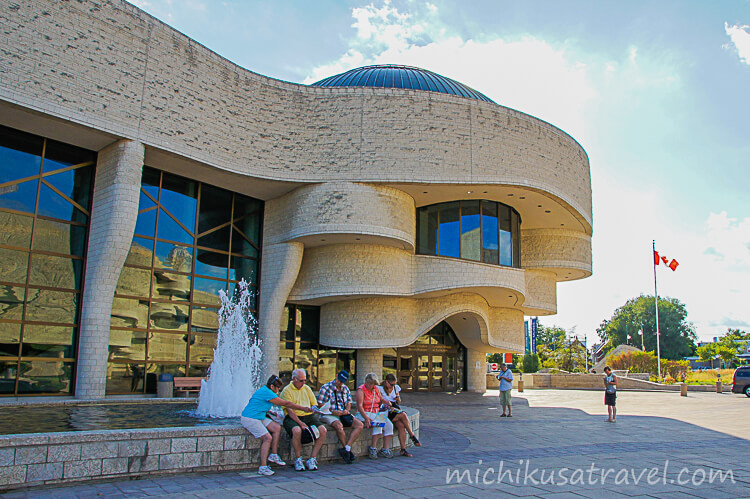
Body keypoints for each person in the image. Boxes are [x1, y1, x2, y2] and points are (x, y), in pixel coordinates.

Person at [240, 375, 311, 476]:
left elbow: (258, 403)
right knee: (267, 438)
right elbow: (286, 403)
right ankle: (263, 467)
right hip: (250, 418)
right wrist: (303, 408)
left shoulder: (265, 390)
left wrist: (270, 412)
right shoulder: (268, 392)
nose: (278, 390)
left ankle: (273, 455)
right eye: (277, 388)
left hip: (259, 415)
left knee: (277, 428)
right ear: (272, 386)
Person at [280, 369, 328, 471]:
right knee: (297, 430)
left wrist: (316, 409)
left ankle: (312, 458)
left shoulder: (307, 388)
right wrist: (300, 423)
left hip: (308, 415)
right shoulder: (286, 390)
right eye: (301, 380)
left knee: (323, 430)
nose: (303, 383)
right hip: (293, 417)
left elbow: (313, 403)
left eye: (305, 380)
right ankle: (298, 459)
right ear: (294, 379)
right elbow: (290, 411)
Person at [317, 370, 363, 464]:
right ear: (336, 376)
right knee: (339, 426)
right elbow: (320, 404)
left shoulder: (345, 389)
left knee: (359, 425)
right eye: (339, 380)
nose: (339, 383)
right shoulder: (326, 387)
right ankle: (347, 451)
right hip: (328, 413)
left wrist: (347, 410)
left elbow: (349, 402)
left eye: (342, 382)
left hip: (342, 413)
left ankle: (347, 448)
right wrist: (333, 411)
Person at [378, 373, 421, 457]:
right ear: (386, 382)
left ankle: (403, 449)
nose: (393, 386)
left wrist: (398, 399)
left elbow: (399, 402)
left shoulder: (395, 388)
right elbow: (379, 401)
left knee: (401, 425)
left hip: (395, 409)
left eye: (394, 384)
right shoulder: (380, 389)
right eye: (391, 384)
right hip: (387, 410)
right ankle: (412, 436)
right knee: (403, 415)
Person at [356, 372, 394, 459]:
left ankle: (385, 448)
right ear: (366, 382)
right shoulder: (361, 390)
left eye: (373, 384)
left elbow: (381, 400)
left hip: (375, 412)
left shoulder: (376, 389)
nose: (371, 385)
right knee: (378, 423)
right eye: (370, 383)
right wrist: (366, 418)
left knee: (389, 425)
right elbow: (359, 405)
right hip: (365, 412)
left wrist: (387, 403)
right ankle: (373, 448)